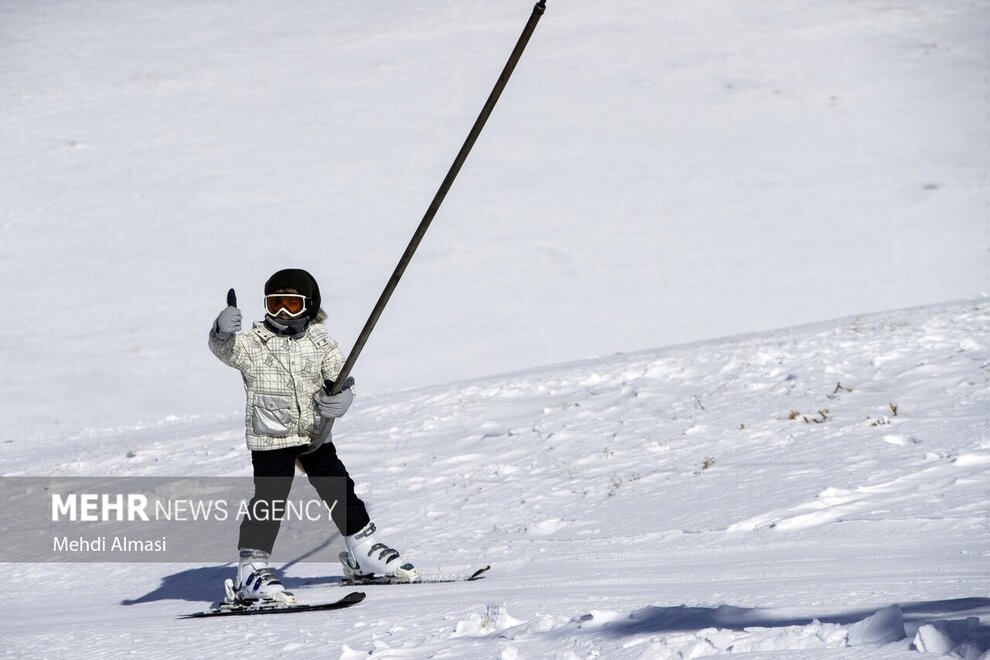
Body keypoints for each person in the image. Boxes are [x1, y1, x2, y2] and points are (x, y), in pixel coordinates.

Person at [209, 268, 418, 602]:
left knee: (338, 485)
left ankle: (361, 549)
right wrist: (221, 329)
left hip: (314, 433)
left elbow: (340, 376)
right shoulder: (253, 343)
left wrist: (344, 396)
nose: (281, 313)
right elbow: (225, 350)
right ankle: (250, 569)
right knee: (270, 499)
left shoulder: (319, 340)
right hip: (271, 437)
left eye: (291, 304)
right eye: (274, 303)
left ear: (308, 306)